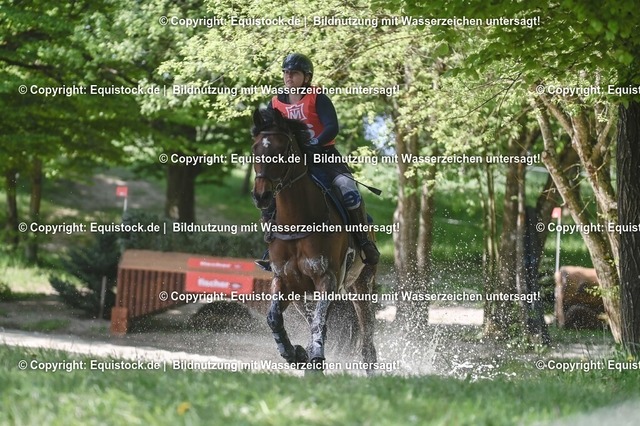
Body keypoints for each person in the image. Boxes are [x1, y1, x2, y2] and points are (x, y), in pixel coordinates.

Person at [256, 53, 379, 269]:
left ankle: (363, 241)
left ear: (307, 77)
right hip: (291, 162)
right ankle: (273, 250)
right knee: (268, 191)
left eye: (294, 73)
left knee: (347, 187)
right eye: (286, 72)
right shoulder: (275, 103)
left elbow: (332, 127)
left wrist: (316, 143)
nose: (288, 77)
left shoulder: (317, 98)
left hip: (323, 155)